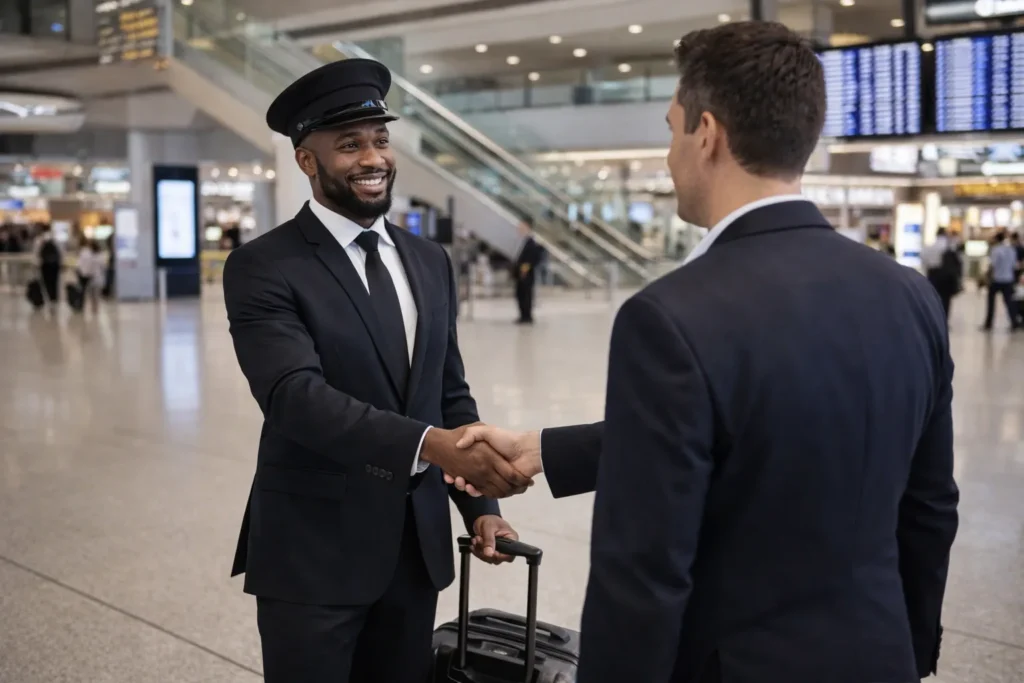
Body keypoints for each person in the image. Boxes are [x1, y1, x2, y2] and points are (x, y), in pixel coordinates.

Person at [449, 21, 959, 683]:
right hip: (880, 654)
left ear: (707, 135)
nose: (669, 155)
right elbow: (929, 509)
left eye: (671, 129)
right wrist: (909, 651)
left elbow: (642, 574)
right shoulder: (910, 296)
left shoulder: (670, 317)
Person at [222, 58, 529, 683]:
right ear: (307, 161)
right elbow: (293, 397)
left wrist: (482, 510)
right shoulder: (265, 265)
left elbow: (448, 392)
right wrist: (432, 445)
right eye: (349, 145)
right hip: (313, 551)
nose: (373, 158)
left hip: (414, 551)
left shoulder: (427, 259)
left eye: (381, 140)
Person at [920, 228, 961, 322]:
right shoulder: (950, 246)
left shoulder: (929, 247)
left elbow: (924, 261)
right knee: (946, 300)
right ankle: (943, 320)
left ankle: (932, 319)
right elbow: (957, 263)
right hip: (946, 275)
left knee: (933, 298)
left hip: (933, 274)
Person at [983, 231, 1020, 331]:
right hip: (1008, 279)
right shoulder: (1011, 250)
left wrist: (987, 277)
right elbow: (1014, 265)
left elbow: (992, 265)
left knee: (991, 302)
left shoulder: (996, 250)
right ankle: (1014, 322)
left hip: (997, 279)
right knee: (1009, 302)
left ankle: (989, 324)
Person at [512, 216, 544, 324]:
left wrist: (524, 270)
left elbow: (531, 259)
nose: (519, 229)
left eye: (521, 227)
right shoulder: (523, 242)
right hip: (521, 273)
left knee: (526, 295)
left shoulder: (531, 243)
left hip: (526, 274)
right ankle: (523, 315)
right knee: (520, 294)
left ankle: (526, 316)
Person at [74, 239, 105, 314]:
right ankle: (95, 307)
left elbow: (81, 265)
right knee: (95, 294)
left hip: (91, 276)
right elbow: (103, 266)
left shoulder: (87, 254)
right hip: (96, 276)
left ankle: (94, 307)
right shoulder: (98, 255)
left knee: (92, 293)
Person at [35, 226, 61, 312]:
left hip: (45, 265)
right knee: (54, 283)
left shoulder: (39, 240)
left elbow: (37, 253)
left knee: (46, 283)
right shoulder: (55, 239)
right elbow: (60, 252)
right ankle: (54, 300)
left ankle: (49, 300)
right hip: (55, 265)